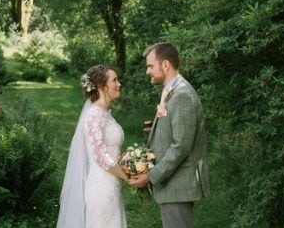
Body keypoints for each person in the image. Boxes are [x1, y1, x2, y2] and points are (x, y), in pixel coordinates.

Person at [129, 43, 210, 228]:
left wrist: (151, 176)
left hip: (178, 185)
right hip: (173, 184)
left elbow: (181, 146)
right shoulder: (171, 91)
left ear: (165, 65)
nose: (147, 71)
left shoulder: (182, 94)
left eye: (150, 66)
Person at [57, 64, 128, 228]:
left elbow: (110, 151)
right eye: (115, 80)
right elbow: (100, 157)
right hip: (101, 188)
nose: (119, 84)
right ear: (102, 86)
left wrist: (128, 162)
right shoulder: (94, 115)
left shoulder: (104, 113)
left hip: (112, 184)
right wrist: (127, 176)